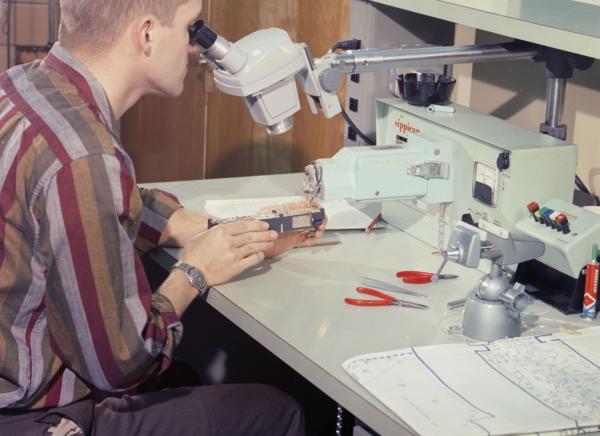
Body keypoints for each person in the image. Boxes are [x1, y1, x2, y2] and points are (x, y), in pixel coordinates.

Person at [0, 0, 325, 434]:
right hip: (30, 416)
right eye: (192, 27)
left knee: (188, 376)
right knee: (277, 410)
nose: (196, 47)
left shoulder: (22, 86)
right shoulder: (85, 157)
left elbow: (89, 199)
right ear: (147, 34)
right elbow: (122, 363)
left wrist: (206, 229)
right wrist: (193, 272)